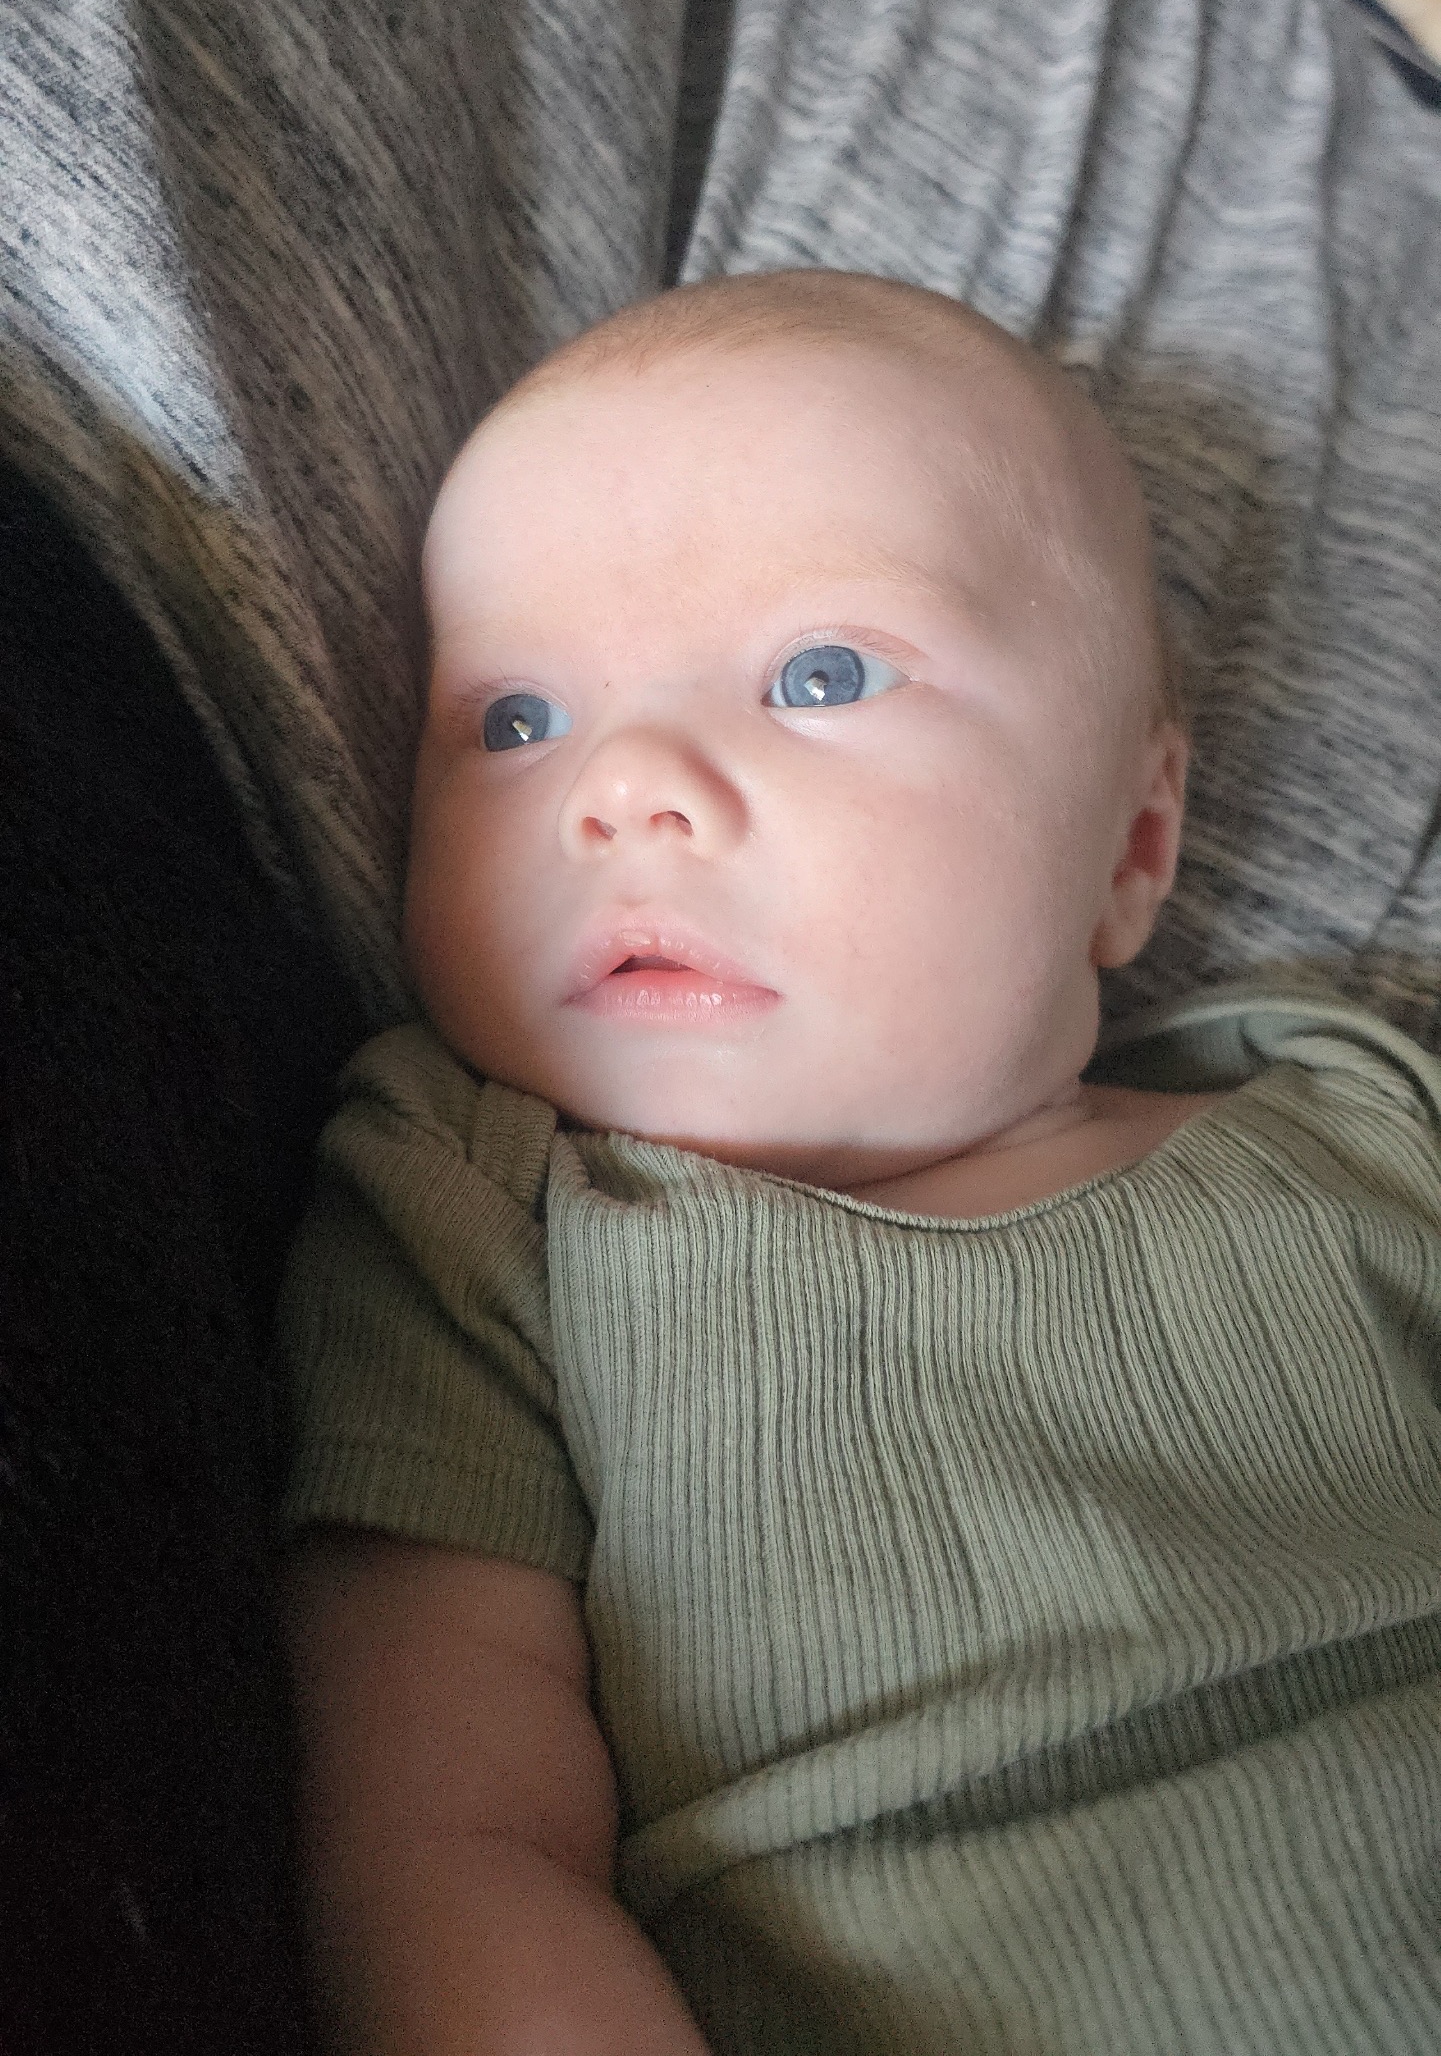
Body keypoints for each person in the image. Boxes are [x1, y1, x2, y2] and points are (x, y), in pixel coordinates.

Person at [276, 270, 1441, 2056]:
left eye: (818, 674)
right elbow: (450, 1853)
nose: (620, 785)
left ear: (1131, 847)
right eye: (515, 720)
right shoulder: (479, 1213)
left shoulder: (1356, 1120)